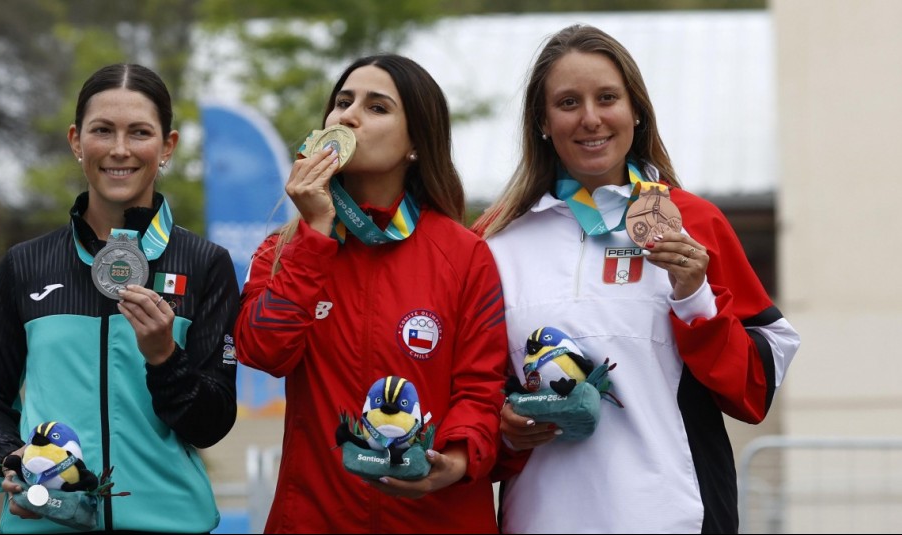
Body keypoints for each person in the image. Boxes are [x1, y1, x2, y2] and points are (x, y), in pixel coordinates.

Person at [472, 25, 801, 534]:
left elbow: (753, 393)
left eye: (607, 98)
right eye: (567, 102)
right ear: (541, 120)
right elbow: (467, 390)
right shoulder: (495, 240)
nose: (590, 119)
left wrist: (695, 298)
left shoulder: (694, 221)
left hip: (673, 517)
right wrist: (503, 425)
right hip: (540, 519)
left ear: (636, 110)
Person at [0, 63, 240, 533]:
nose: (120, 149)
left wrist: (164, 357)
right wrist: (9, 460)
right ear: (76, 141)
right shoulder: (25, 265)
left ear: (167, 146)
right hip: (45, 521)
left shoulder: (204, 263)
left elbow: (212, 424)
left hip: (167, 524)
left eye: (140, 132)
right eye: (102, 131)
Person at [233, 53, 507, 533]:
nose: (349, 116)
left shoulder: (464, 255)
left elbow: (481, 389)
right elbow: (262, 352)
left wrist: (458, 460)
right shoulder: (285, 249)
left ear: (416, 143)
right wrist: (315, 238)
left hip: (436, 517)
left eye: (377, 107)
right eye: (342, 102)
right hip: (314, 518)